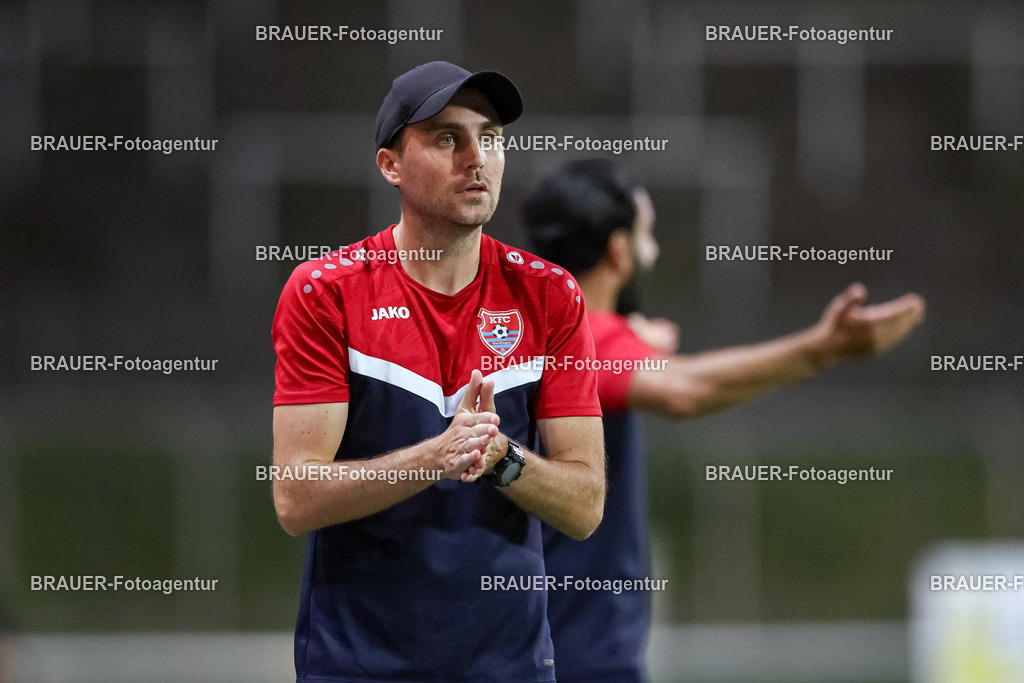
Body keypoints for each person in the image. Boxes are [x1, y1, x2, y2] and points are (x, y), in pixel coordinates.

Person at [523, 159, 926, 682]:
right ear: (618, 252)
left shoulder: (530, 330)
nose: (655, 253)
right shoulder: (583, 335)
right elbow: (684, 391)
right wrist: (822, 350)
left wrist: (635, 339)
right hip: (578, 660)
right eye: (648, 238)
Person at [270, 62, 605, 682]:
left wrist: (502, 457)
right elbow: (295, 496)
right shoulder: (325, 293)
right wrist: (438, 456)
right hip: (359, 668)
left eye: (492, 137)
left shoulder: (550, 295)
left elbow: (584, 507)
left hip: (512, 669)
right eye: (448, 138)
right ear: (390, 166)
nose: (477, 158)